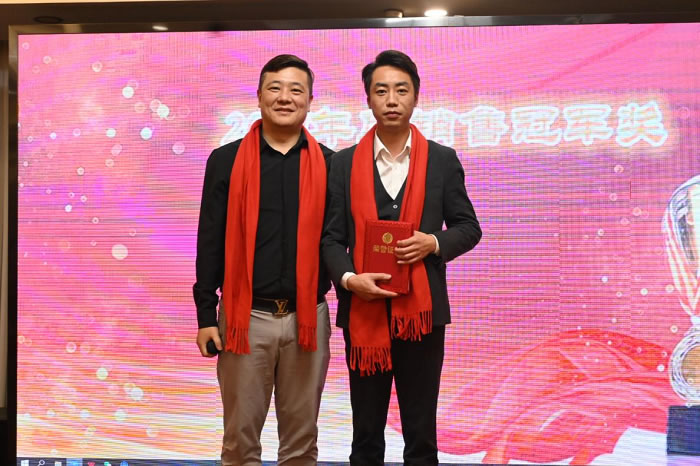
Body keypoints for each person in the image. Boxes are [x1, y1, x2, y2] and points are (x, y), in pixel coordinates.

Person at [321, 50, 482, 465]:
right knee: (366, 435)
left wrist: (433, 243)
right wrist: (349, 279)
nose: (391, 100)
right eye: (381, 91)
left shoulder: (442, 160)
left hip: (423, 318)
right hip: (363, 313)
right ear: (368, 99)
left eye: (401, 90)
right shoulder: (341, 164)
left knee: (421, 434)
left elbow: (468, 227)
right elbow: (331, 239)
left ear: (416, 96)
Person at [193, 54, 333, 465]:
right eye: (275, 88)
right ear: (258, 96)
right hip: (244, 319)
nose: (285, 97)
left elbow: (337, 243)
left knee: (301, 443)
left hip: (309, 318)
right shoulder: (226, 160)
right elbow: (210, 240)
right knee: (239, 441)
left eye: (296, 90)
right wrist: (205, 315)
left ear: (310, 100)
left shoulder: (331, 164)